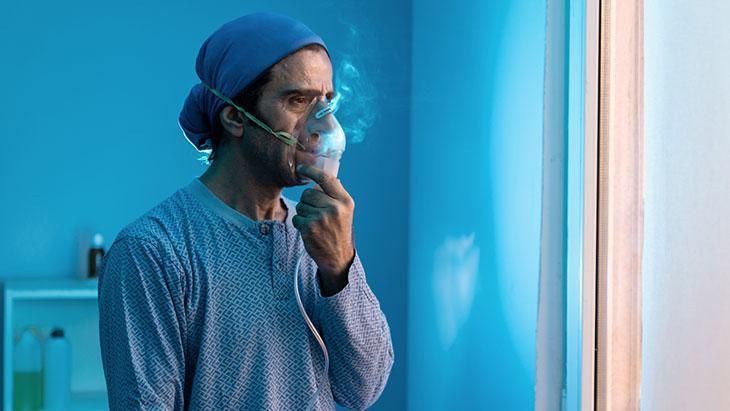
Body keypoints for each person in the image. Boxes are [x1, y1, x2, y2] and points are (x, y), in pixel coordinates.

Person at [98, 12, 394, 410]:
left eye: (326, 101)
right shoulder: (151, 252)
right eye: (298, 100)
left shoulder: (321, 236)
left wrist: (340, 268)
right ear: (235, 117)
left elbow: (362, 390)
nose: (322, 125)